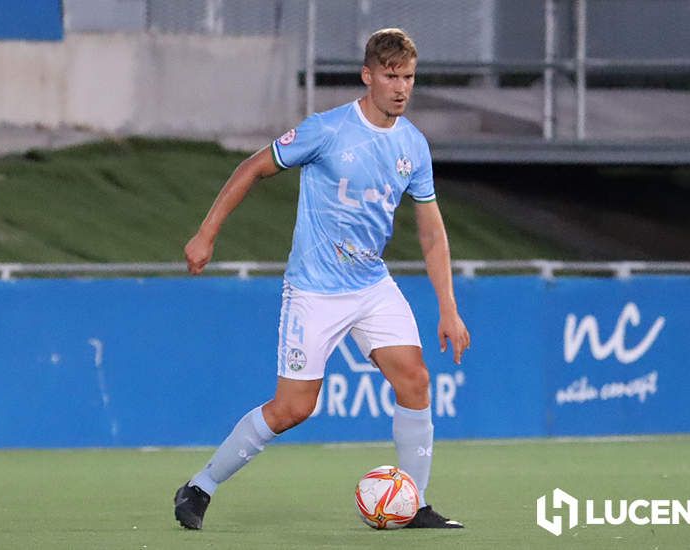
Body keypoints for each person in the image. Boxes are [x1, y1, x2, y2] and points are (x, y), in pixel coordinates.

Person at [174, 27, 470, 530]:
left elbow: (432, 234)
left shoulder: (413, 146)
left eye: (409, 78)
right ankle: (200, 486)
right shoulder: (327, 130)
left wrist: (448, 307)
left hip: (372, 286)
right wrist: (206, 235)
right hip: (313, 290)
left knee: (416, 381)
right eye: (391, 76)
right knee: (293, 409)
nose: (401, 88)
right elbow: (251, 168)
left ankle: (414, 502)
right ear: (368, 76)